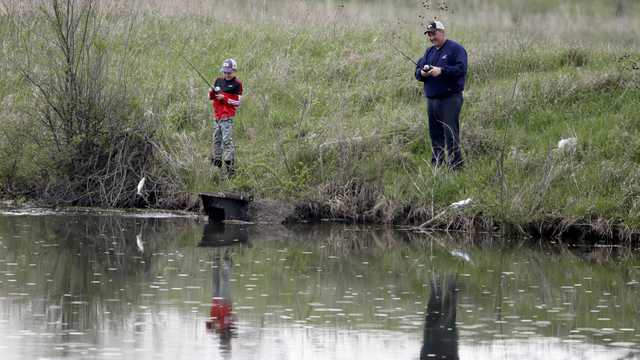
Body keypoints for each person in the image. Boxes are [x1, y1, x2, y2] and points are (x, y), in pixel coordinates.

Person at [415, 20, 467, 170]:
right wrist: (422, 73)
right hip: (432, 100)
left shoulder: (456, 49)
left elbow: (461, 69)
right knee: (435, 135)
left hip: (450, 98)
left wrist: (442, 71)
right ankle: (437, 166)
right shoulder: (429, 52)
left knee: (450, 134)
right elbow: (417, 73)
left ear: (442, 32)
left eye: (434, 34)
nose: (431, 37)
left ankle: (456, 167)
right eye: (429, 35)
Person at [208, 58, 243, 177]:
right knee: (216, 141)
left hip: (227, 117)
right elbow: (211, 97)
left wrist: (225, 98)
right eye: (225, 72)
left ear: (234, 71)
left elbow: (238, 102)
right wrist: (212, 91)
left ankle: (230, 171)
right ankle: (216, 168)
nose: (227, 74)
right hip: (217, 116)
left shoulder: (237, 84)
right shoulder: (218, 81)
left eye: (229, 72)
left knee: (227, 141)